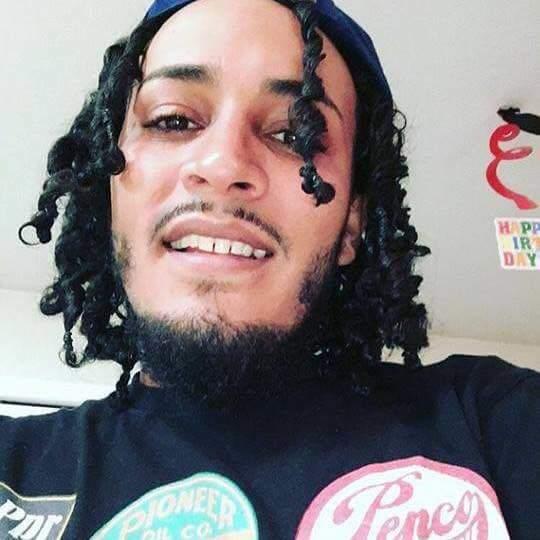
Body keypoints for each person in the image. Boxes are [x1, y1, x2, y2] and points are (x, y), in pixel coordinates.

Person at [2, 0, 538, 538]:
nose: (222, 165)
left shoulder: (498, 424)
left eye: (294, 135)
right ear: (110, 185)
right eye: (173, 120)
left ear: (351, 225)